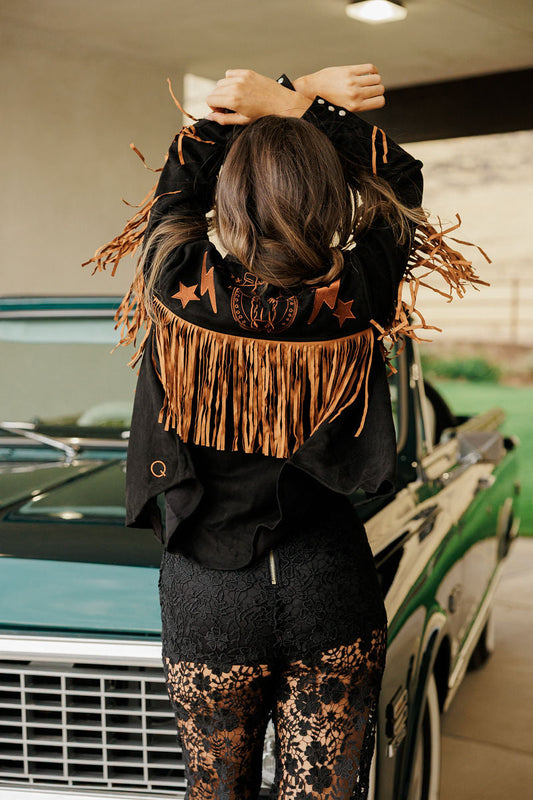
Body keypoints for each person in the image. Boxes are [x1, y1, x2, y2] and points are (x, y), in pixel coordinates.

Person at [85, 64, 484, 800]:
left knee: (216, 791)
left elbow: (179, 177)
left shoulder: (178, 281)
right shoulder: (359, 290)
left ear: (228, 201)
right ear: (331, 199)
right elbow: (401, 179)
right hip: (329, 582)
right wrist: (297, 102)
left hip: (210, 592)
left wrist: (268, 94)